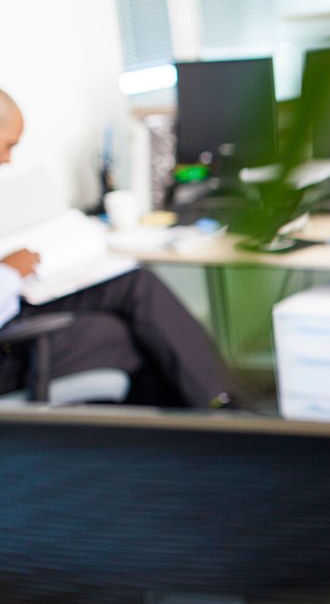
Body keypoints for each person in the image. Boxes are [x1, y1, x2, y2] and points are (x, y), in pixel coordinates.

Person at [0, 88, 236, 407]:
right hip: (9, 341)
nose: (7, 159)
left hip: (17, 304)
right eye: (8, 145)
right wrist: (9, 271)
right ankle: (215, 415)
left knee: (136, 285)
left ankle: (213, 410)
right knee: (123, 334)